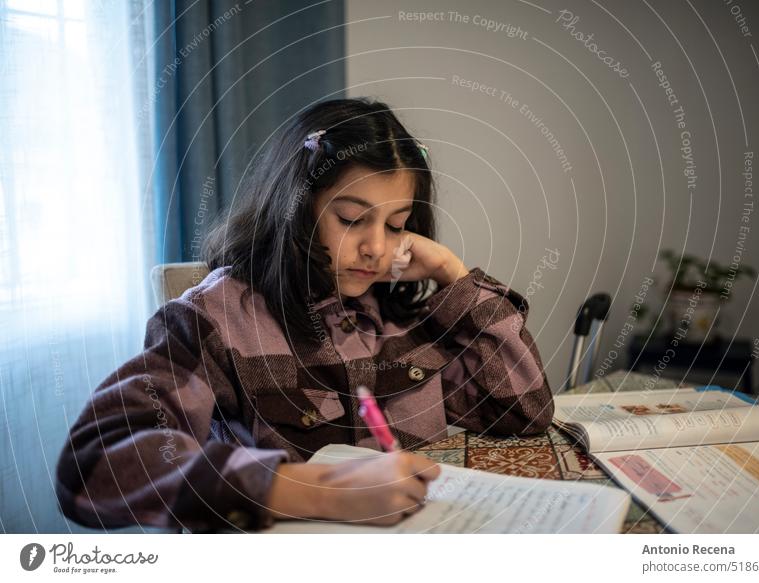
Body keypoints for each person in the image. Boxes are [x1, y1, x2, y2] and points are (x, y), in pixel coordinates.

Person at [55, 97, 554, 533]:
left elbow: (523, 414)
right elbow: (95, 465)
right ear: (297, 206)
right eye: (351, 219)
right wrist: (314, 488)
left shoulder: (407, 314)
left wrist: (452, 273)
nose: (376, 248)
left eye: (397, 224)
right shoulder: (217, 318)